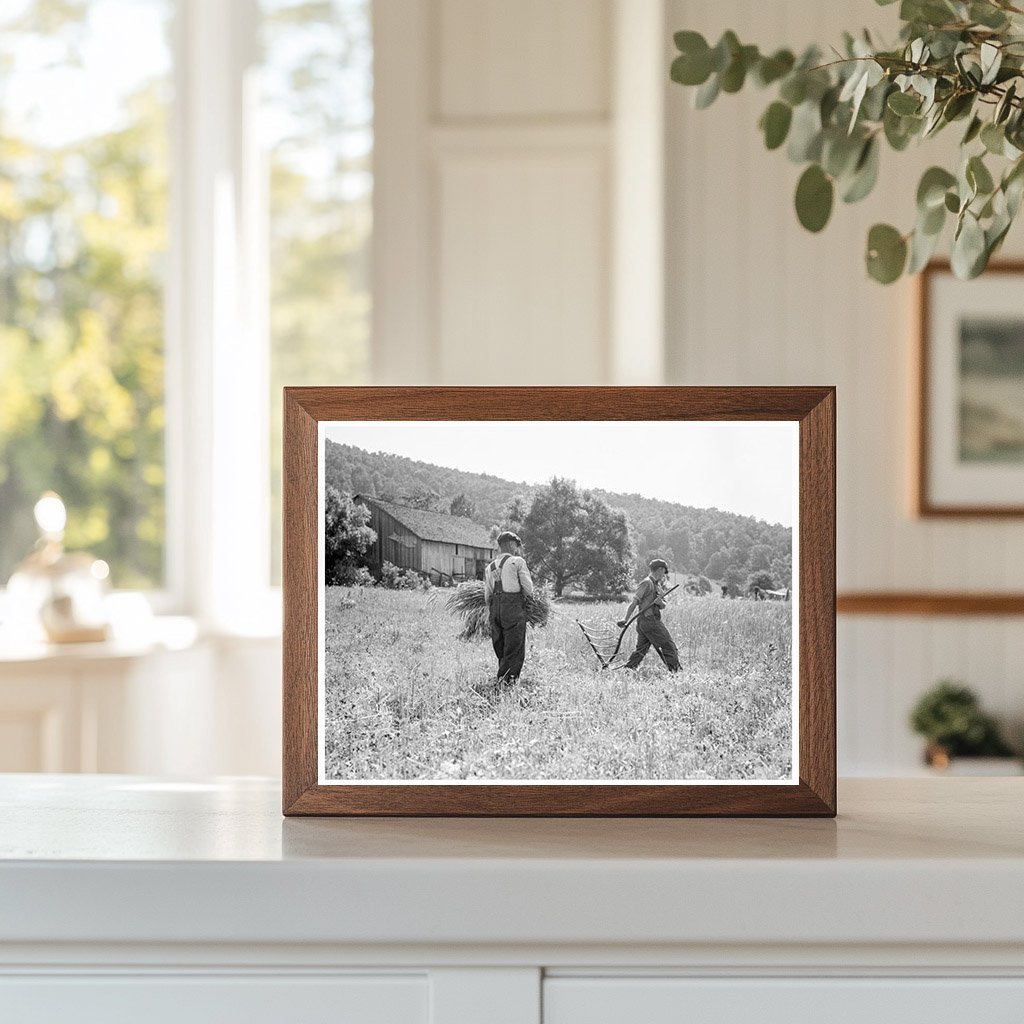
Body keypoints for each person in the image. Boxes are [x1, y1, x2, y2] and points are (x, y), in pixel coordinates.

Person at [483, 531, 535, 685]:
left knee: (501, 644)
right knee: (515, 646)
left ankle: (503, 677)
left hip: (495, 609)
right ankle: (507, 683)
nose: (517, 550)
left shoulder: (490, 567)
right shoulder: (517, 561)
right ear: (512, 545)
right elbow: (528, 588)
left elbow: (487, 595)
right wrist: (528, 602)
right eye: (516, 546)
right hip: (513, 608)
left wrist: (493, 609)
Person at [618, 559, 680, 672]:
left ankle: (628, 670)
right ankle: (676, 672)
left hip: (645, 623)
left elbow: (663, 605)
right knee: (669, 646)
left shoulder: (657, 585)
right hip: (650, 622)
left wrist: (659, 602)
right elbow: (634, 602)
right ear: (660, 570)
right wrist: (625, 619)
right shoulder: (647, 583)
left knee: (641, 650)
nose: (664, 575)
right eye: (663, 572)